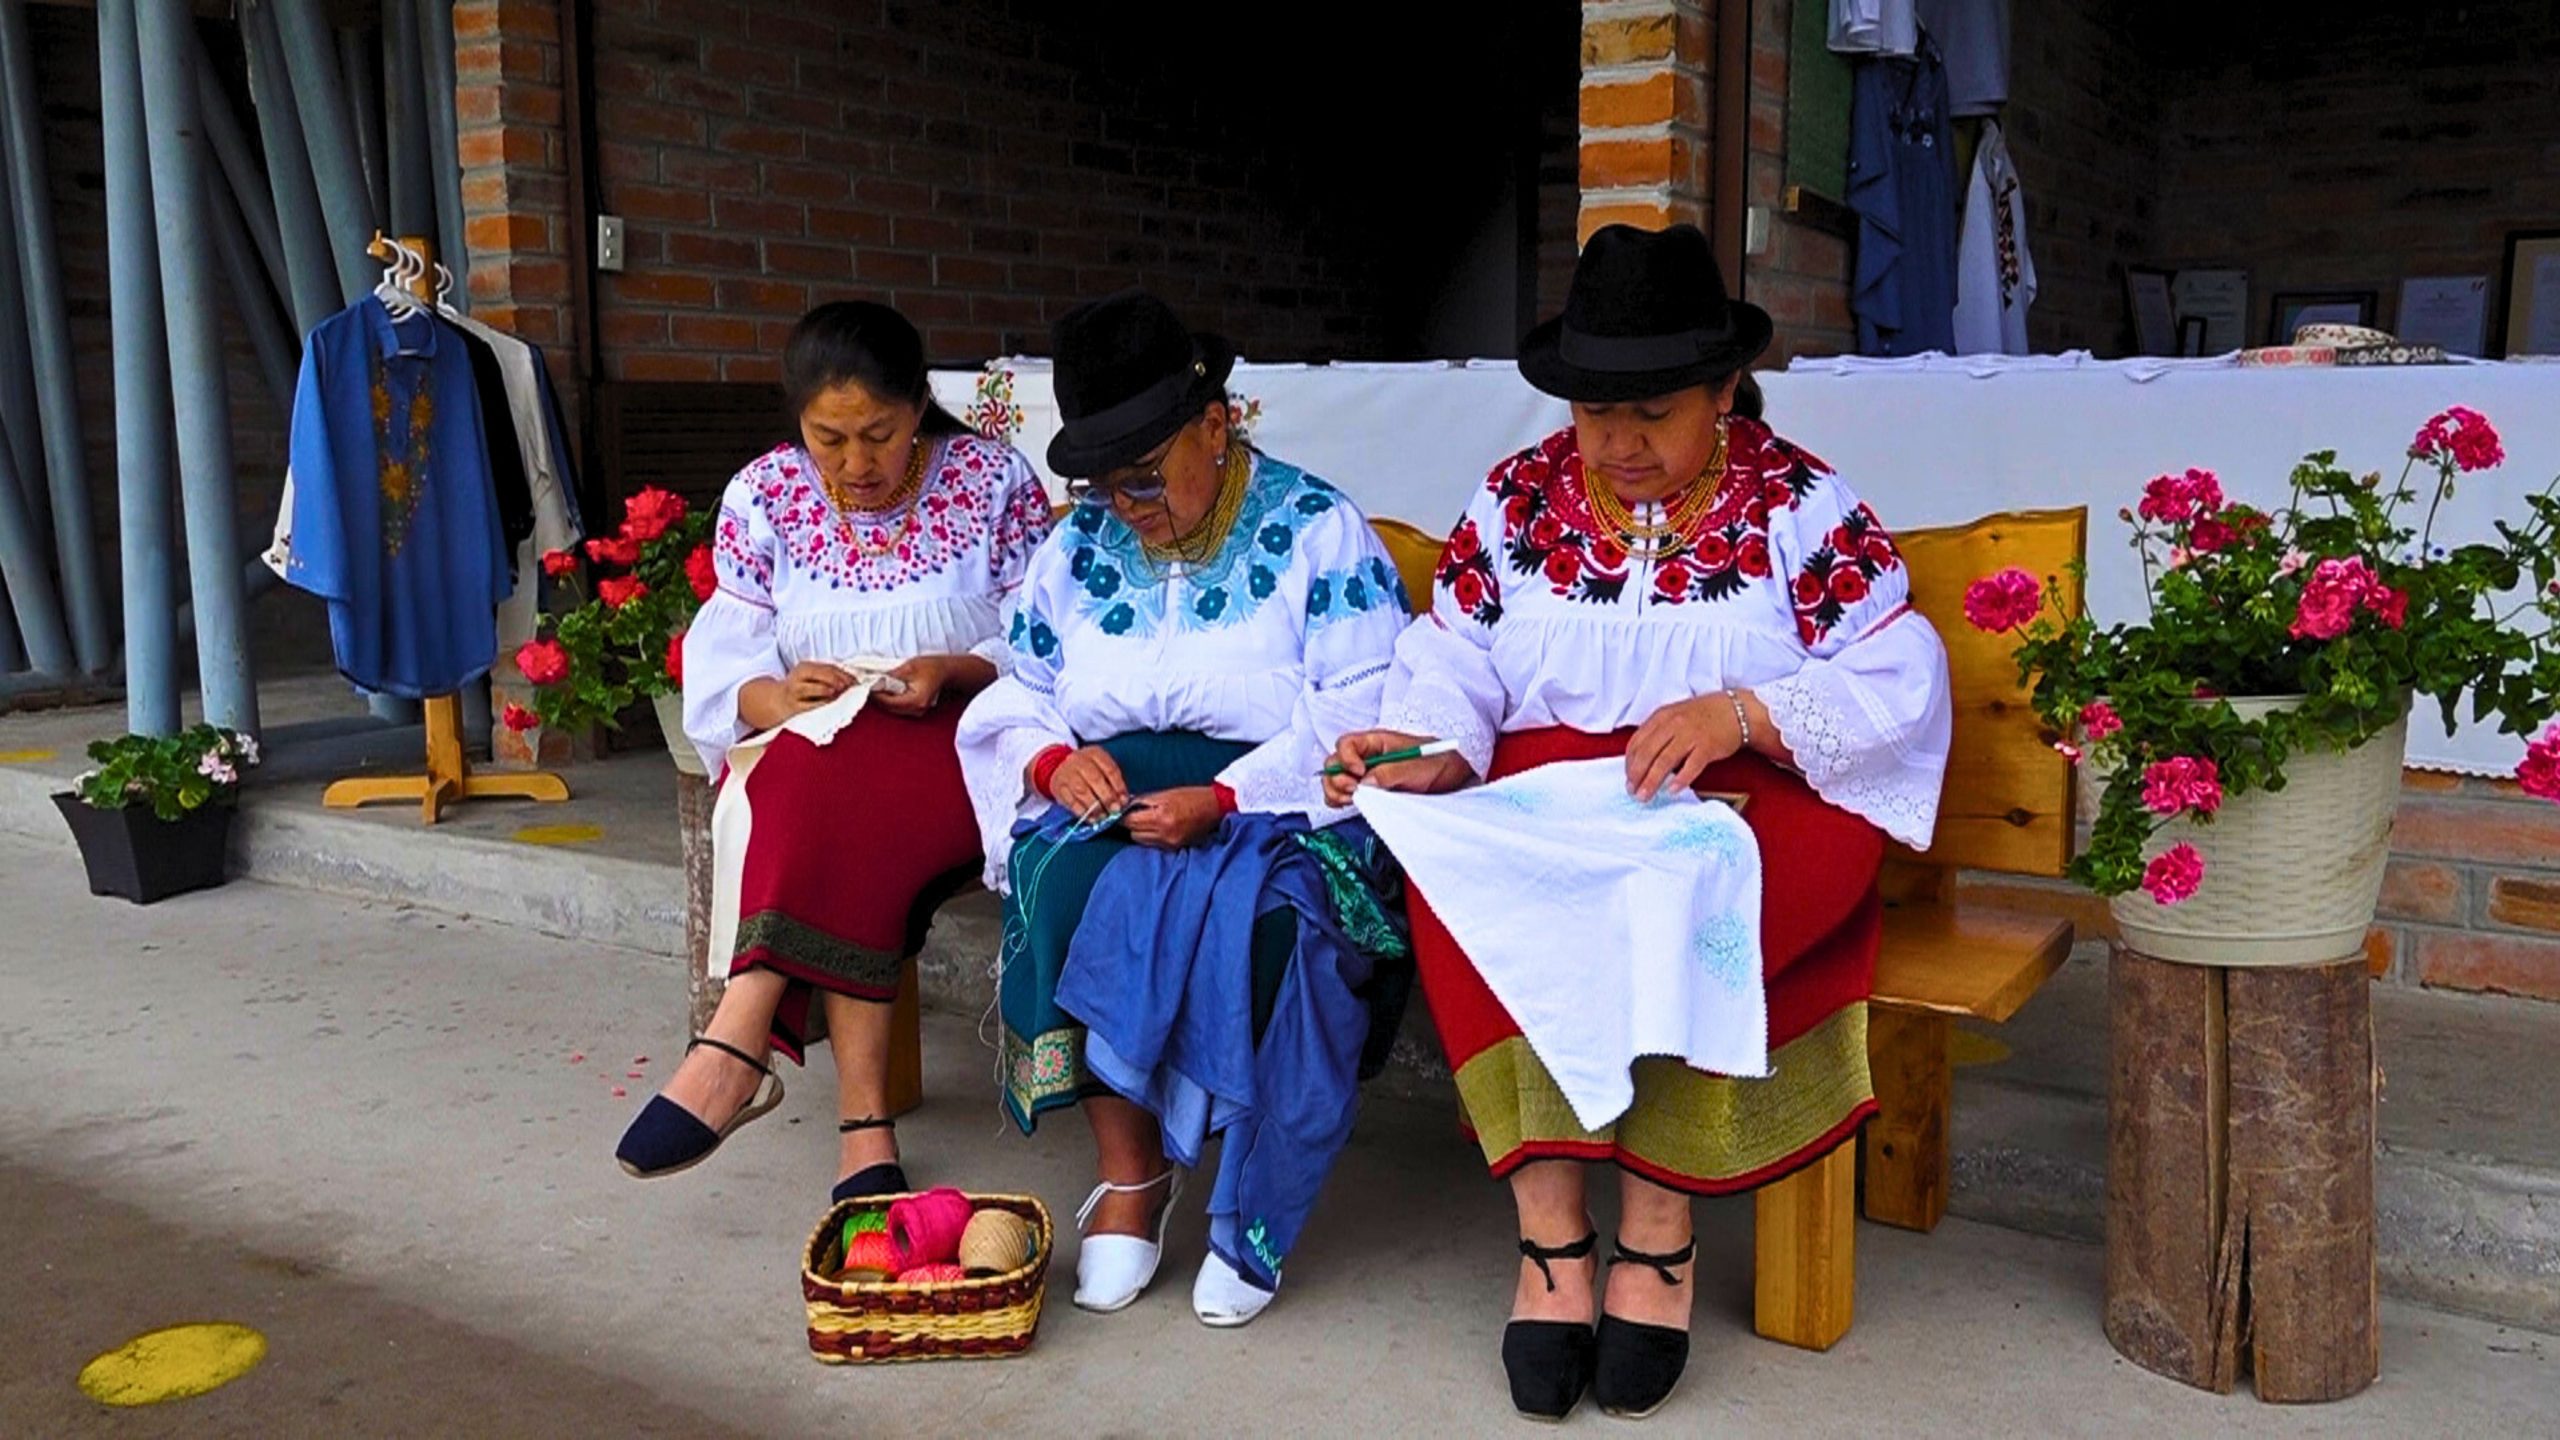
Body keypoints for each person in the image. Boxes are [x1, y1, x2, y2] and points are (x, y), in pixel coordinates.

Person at [1328, 224, 1952, 1420]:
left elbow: (1896, 676)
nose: (1618, 447)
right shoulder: (1517, 501)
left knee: (1679, 900)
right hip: (1556, 801)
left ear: (1724, 391)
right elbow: (1454, 653)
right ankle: (1553, 1243)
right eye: (1590, 415)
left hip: (1748, 795)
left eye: (1653, 413)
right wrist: (1430, 748)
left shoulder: (1800, 506)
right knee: (1464, 875)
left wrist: (1741, 710)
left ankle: (1659, 1237)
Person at [956, 290, 1412, 1327]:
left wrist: (1227, 795)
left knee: (1269, 927)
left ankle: (1250, 1205)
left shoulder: (1316, 529)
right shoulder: (1074, 548)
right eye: (1104, 484)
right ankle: (1132, 1176)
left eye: (1145, 476)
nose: (1126, 505)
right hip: (1110, 793)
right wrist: (1042, 762)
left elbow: (1362, 710)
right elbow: (1021, 683)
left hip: (1284, 805)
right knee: (1060, 878)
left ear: (1218, 424)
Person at [615, 301, 1053, 1201]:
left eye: (879, 435)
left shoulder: (992, 481)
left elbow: (1049, 637)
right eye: (830, 438)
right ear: (797, 423)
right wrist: (776, 695)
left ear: (921, 406)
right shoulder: (765, 494)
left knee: (829, 794)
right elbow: (727, 649)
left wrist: (955, 666)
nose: (855, 464)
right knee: (811, 771)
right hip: (817, 730)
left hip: (962, 727)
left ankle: (741, 1048)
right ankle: (859, 1130)